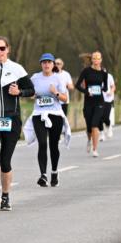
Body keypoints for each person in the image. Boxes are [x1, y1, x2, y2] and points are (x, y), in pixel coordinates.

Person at [0, 36, 34, 211]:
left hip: (11, 121)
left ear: (8, 49)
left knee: (6, 162)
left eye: (2, 48)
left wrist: (20, 92)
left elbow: (32, 90)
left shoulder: (17, 69)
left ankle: (6, 197)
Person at [24, 53, 70, 187]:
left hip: (55, 114)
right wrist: (32, 95)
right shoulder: (35, 78)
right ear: (41, 64)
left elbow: (65, 99)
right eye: (44, 62)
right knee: (42, 143)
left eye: (49, 62)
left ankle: (54, 172)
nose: (46, 64)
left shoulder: (58, 78)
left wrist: (55, 92)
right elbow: (29, 92)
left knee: (53, 145)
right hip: (39, 114)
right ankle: (43, 175)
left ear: (53, 64)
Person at [75, 51, 109, 157]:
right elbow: (77, 85)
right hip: (88, 102)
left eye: (98, 58)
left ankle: (95, 149)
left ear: (101, 60)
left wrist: (100, 88)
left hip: (99, 102)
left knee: (95, 124)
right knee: (89, 126)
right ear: (92, 60)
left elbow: (106, 87)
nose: (96, 60)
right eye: (94, 58)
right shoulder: (86, 71)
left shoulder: (104, 73)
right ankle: (89, 140)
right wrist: (87, 92)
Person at [100, 70, 116, 141]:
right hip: (98, 99)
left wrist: (111, 92)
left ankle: (109, 126)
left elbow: (113, 86)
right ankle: (102, 134)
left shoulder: (109, 76)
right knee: (99, 117)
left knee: (106, 117)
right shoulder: (95, 76)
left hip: (108, 99)